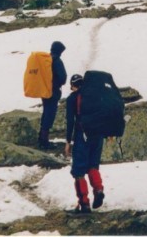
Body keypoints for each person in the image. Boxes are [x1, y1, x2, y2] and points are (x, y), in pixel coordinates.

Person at [64, 73, 105, 213]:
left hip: (82, 135)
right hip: (98, 134)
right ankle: (98, 190)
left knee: (79, 171)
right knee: (93, 166)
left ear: (74, 86)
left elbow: (70, 121)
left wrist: (68, 141)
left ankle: (84, 203)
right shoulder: (95, 95)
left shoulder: (72, 99)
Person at [38, 40, 66, 150]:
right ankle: (44, 141)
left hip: (44, 91)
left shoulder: (46, 59)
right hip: (53, 92)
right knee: (50, 115)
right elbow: (62, 78)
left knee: (46, 113)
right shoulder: (57, 61)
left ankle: (41, 138)